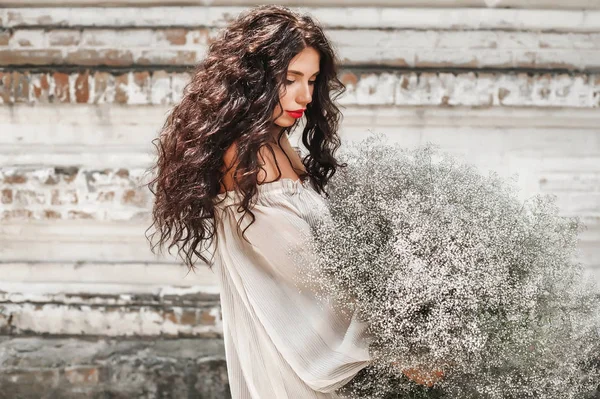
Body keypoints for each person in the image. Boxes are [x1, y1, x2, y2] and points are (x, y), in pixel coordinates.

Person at [147, 5, 441, 397]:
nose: (304, 95)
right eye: (290, 79)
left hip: (318, 339)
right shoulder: (243, 158)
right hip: (298, 354)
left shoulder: (277, 140)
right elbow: (308, 269)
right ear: (254, 79)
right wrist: (396, 339)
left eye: (313, 80)